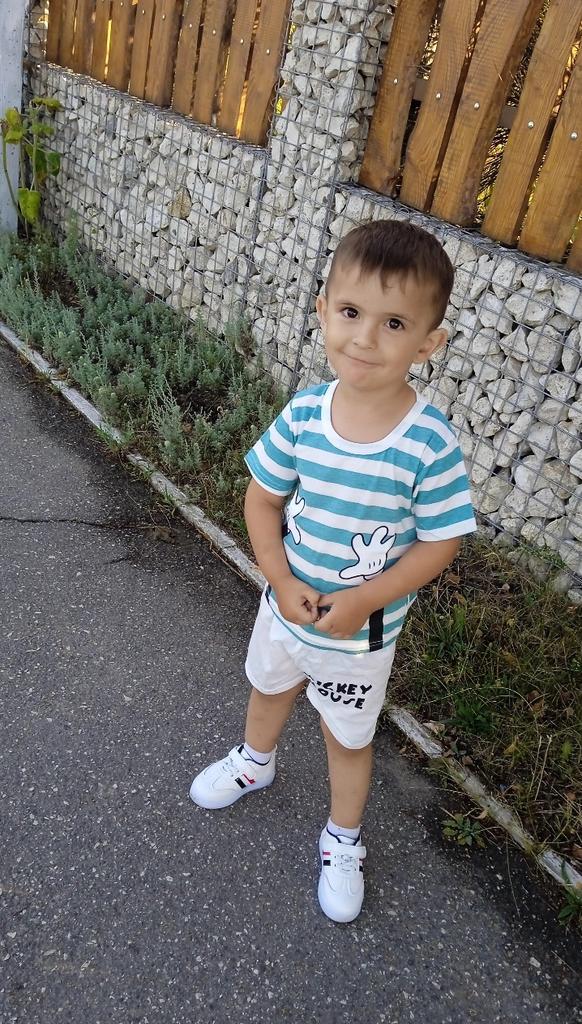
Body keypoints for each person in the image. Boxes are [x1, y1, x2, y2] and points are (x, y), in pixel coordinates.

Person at [189, 219, 477, 923]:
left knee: (348, 738)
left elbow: (439, 543)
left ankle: (343, 837)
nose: (364, 338)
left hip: (359, 636)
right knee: (267, 689)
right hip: (284, 608)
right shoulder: (305, 414)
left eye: (393, 323)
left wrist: (366, 600)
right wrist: (280, 578)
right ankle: (255, 761)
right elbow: (263, 498)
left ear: (428, 343)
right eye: (350, 312)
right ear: (322, 312)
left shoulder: (428, 444)